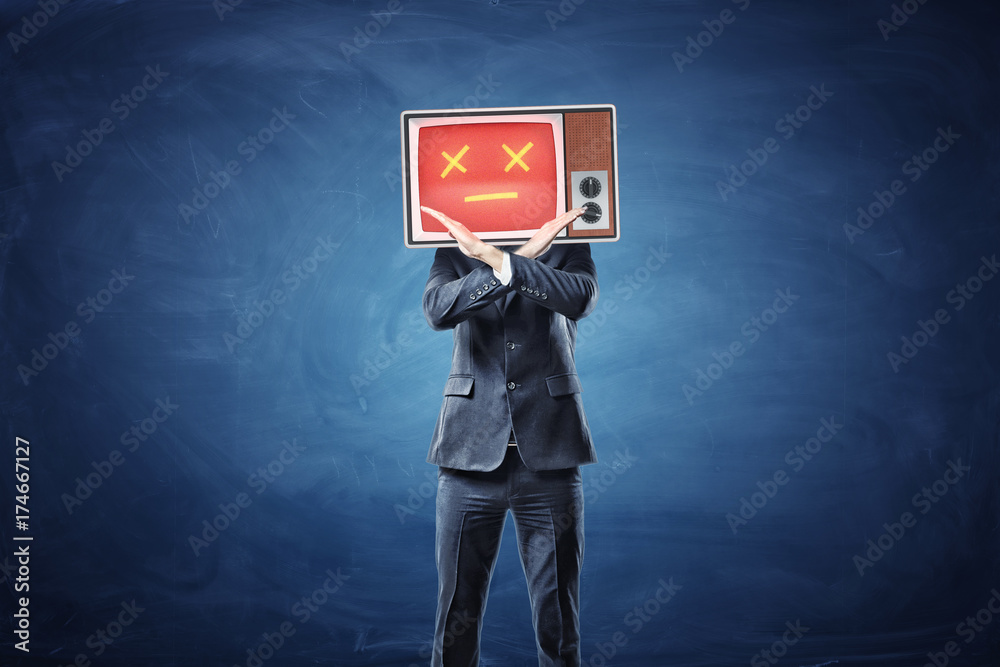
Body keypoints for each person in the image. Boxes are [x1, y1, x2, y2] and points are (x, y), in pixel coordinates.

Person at [420, 205, 599, 667]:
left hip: (551, 456)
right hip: (467, 459)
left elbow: (580, 298)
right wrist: (491, 256)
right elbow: (438, 310)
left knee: (558, 614)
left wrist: (513, 259)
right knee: (457, 608)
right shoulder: (453, 249)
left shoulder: (569, 243)